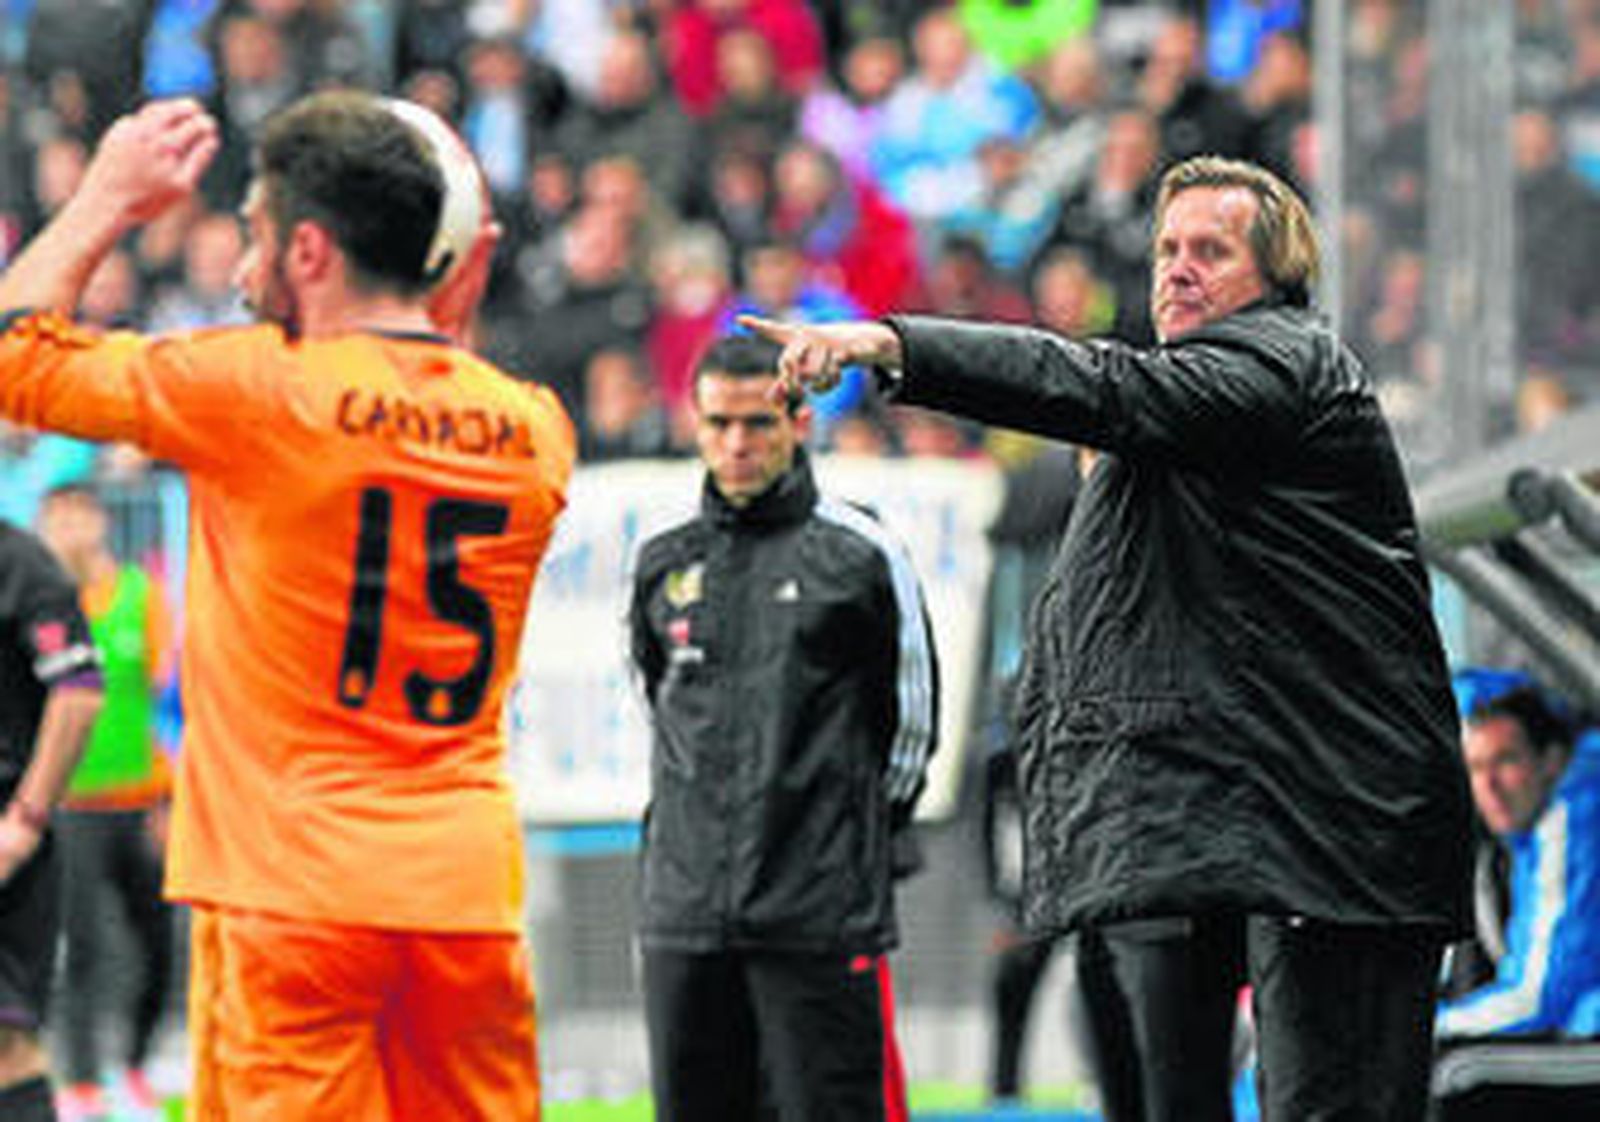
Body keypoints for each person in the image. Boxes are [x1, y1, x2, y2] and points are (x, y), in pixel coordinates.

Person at [744, 154, 1475, 1121]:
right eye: (1168, 247)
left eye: (1210, 251)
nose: (1175, 267)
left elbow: (1088, 379)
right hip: (1230, 816)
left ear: (1277, 276)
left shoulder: (1286, 367)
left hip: (1338, 829)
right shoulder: (1183, 413)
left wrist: (889, 343)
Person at [0, 92, 575, 1121]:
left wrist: (106, 197)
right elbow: (432, 364)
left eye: (258, 238)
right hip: (461, 892)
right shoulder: (531, 427)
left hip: (291, 893)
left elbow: (15, 356)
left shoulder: (260, 392)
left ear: (310, 250)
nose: (239, 269)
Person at [627, 333, 938, 1122]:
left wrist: (843, 839)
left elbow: (909, 728)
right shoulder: (664, 562)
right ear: (694, 425)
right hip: (686, 913)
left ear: (799, 423)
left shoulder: (860, 552)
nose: (736, 444)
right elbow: (655, 703)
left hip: (817, 913)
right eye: (718, 424)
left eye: (757, 424)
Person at [36, 483, 176, 1121]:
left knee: (157, 944)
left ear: (98, 522)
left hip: (141, 801)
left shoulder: (142, 599)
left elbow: (172, 703)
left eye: (78, 516)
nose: (68, 530)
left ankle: (136, 1069)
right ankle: (84, 1086)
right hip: (70, 808)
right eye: (56, 519)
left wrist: (171, 799)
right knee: (79, 951)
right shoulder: (36, 606)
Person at [1430, 670, 1600, 1120]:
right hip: (1579, 1031)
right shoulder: (1524, 840)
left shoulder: (1574, 812)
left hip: (1586, 1034)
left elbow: (1540, 999)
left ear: (1551, 759)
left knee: (1454, 1073)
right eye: (1475, 768)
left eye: (1505, 761)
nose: (1489, 786)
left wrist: (1423, 1025)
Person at [0, 519, 103, 1122]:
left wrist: (24, 822)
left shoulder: (21, 565)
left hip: (10, 843)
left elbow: (80, 692)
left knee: (5, 1049)